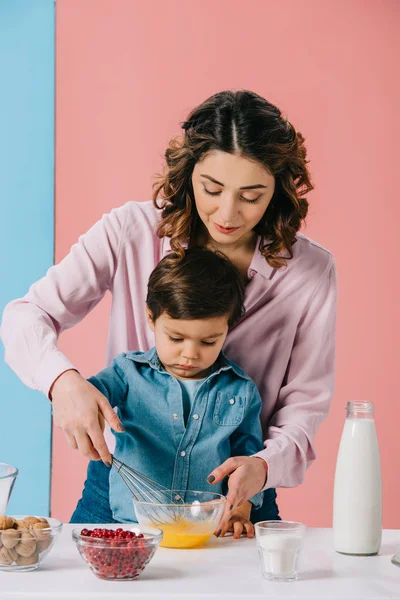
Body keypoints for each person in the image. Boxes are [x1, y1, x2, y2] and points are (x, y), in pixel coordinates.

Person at [1, 89, 337, 533]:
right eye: (212, 189)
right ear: (188, 172)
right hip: (122, 487)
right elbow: (27, 314)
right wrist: (61, 383)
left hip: (240, 493)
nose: (228, 212)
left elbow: (304, 405)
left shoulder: (309, 272)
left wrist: (262, 467)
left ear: (278, 189)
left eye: (252, 195)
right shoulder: (130, 232)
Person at [71, 247, 265, 539]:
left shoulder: (241, 390)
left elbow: (247, 456)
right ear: (151, 318)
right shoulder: (127, 373)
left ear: (228, 328)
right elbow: (87, 397)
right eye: (176, 337)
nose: (190, 354)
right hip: (130, 525)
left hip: (203, 530)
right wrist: (78, 400)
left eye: (209, 341)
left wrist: (242, 507)